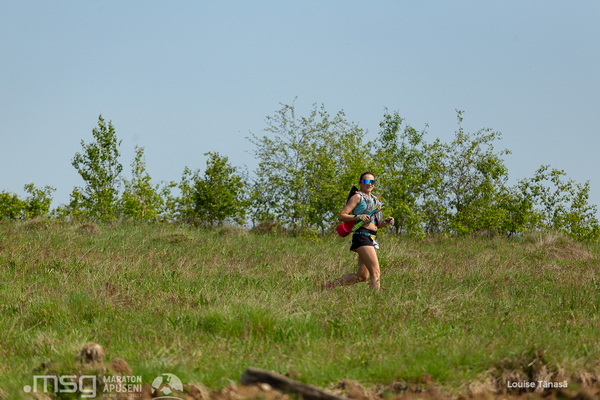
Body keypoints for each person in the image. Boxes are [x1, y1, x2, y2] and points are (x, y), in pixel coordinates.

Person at [324, 172, 394, 291]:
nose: (370, 184)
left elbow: (376, 225)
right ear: (360, 183)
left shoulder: (376, 200)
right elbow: (341, 216)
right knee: (375, 272)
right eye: (366, 181)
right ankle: (376, 299)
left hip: (371, 237)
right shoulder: (357, 197)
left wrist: (386, 222)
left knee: (362, 276)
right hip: (362, 236)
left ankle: (330, 286)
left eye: (372, 182)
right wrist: (358, 217)